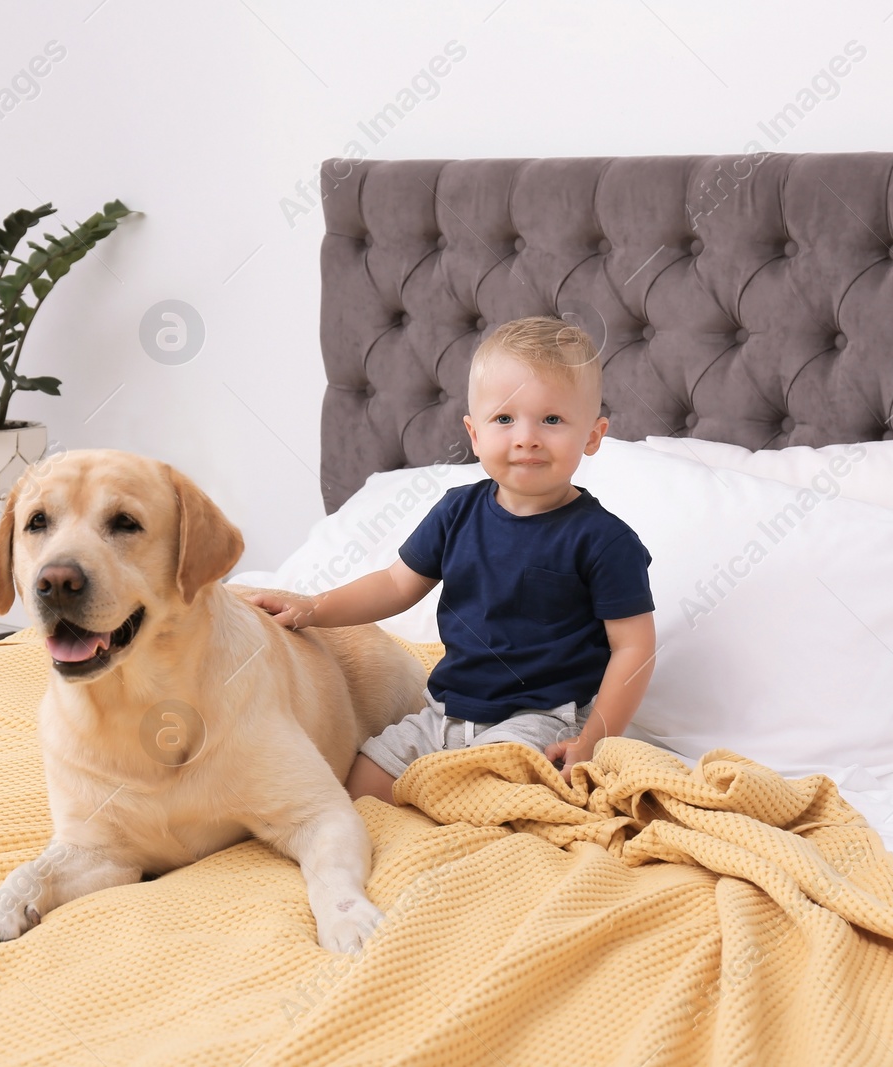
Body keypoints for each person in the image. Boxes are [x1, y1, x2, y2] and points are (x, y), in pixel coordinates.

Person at [246, 316, 657, 801]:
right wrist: (313, 609)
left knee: (490, 792)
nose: (526, 437)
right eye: (504, 419)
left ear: (592, 435)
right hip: (447, 712)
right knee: (357, 788)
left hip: (543, 719)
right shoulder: (456, 511)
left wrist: (590, 741)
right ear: (475, 433)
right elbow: (395, 585)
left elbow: (635, 648)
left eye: (551, 419)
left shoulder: (604, 540)